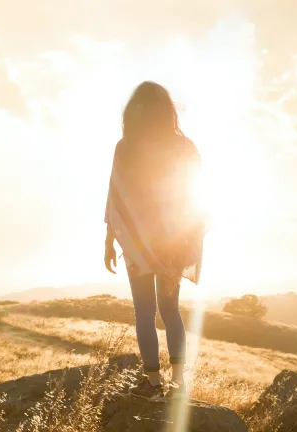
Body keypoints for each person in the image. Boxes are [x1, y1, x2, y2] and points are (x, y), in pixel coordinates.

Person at [103, 81, 206, 403]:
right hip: (174, 242)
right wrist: (187, 236)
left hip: (138, 241)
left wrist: (109, 240)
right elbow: (196, 195)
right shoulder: (184, 146)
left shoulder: (127, 146)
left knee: (144, 313)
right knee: (170, 311)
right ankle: (178, 385)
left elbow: (116, 199)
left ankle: (152, 385)